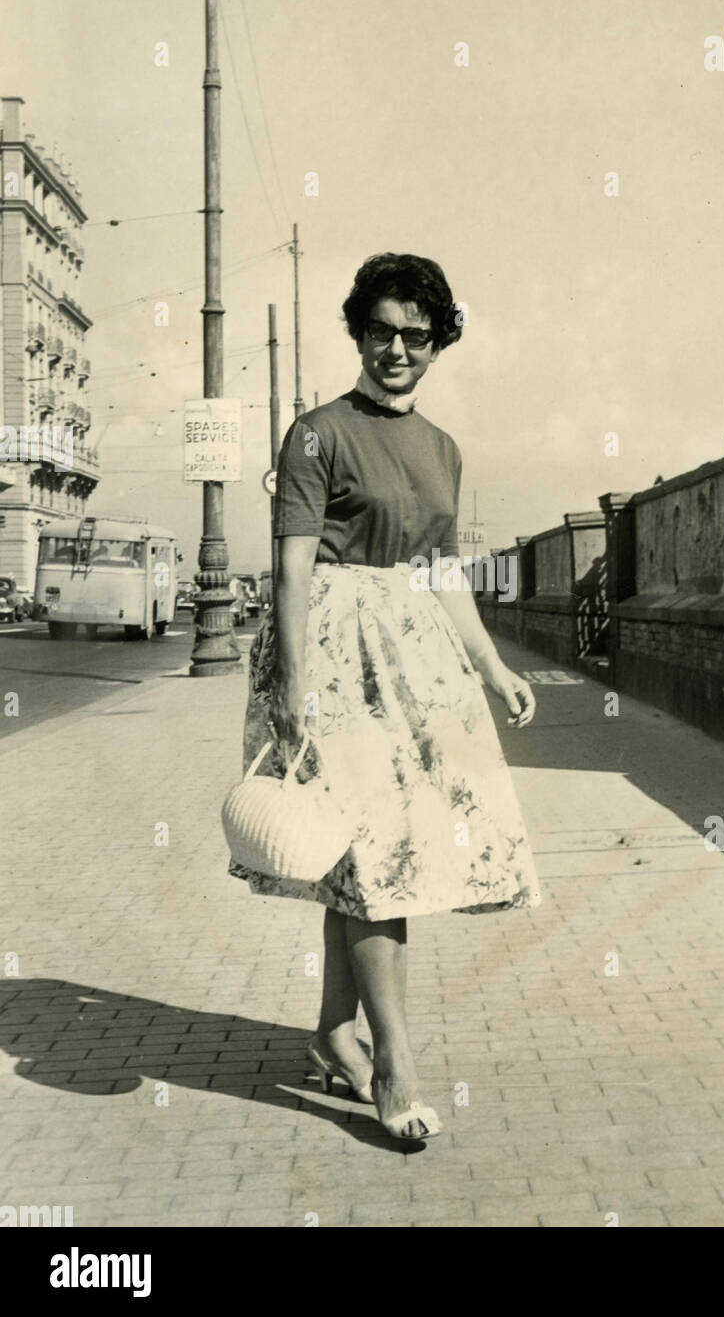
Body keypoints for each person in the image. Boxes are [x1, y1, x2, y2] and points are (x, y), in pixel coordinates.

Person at [229, 252, 542, 1141]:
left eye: (415, 334)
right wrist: (294, 686)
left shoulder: (442, 448)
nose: (396, 348)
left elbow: (443, 573)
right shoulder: (318, 434)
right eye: (380, 331)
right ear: (358, 333)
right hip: (327, 658)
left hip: (413, 670)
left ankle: (336, 1031)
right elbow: (291, 568)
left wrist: (495, 670)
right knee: (375, 863)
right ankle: (395, 1068)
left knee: (362, 860)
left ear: (440, 342)